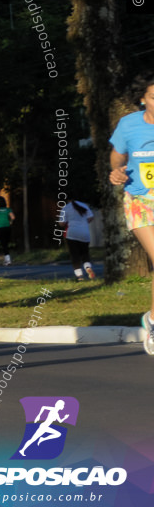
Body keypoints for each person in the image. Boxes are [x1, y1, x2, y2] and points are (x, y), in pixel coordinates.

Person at [109, 74, 154, 355]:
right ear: (143, 99)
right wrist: (116, 170)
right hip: (140, 198)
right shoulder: (129, 125)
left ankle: (151, 319)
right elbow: (117, 155)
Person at [58, 200, 95, 280]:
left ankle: (79, 276)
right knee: (85, 253)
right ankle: (88, 267)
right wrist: (83, 222)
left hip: (72, 233)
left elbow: (61, 223)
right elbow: (91, 217)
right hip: (84, 233)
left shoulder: (65, 208)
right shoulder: (84, 205)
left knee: (75, 255)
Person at [0, 196, 15, 265]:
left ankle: (7, 259)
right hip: (7, 227)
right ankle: (7, 258)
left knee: (3, 244)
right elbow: (13, 217)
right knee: (6, 243)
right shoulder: (8, 210)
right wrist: (10, 222)